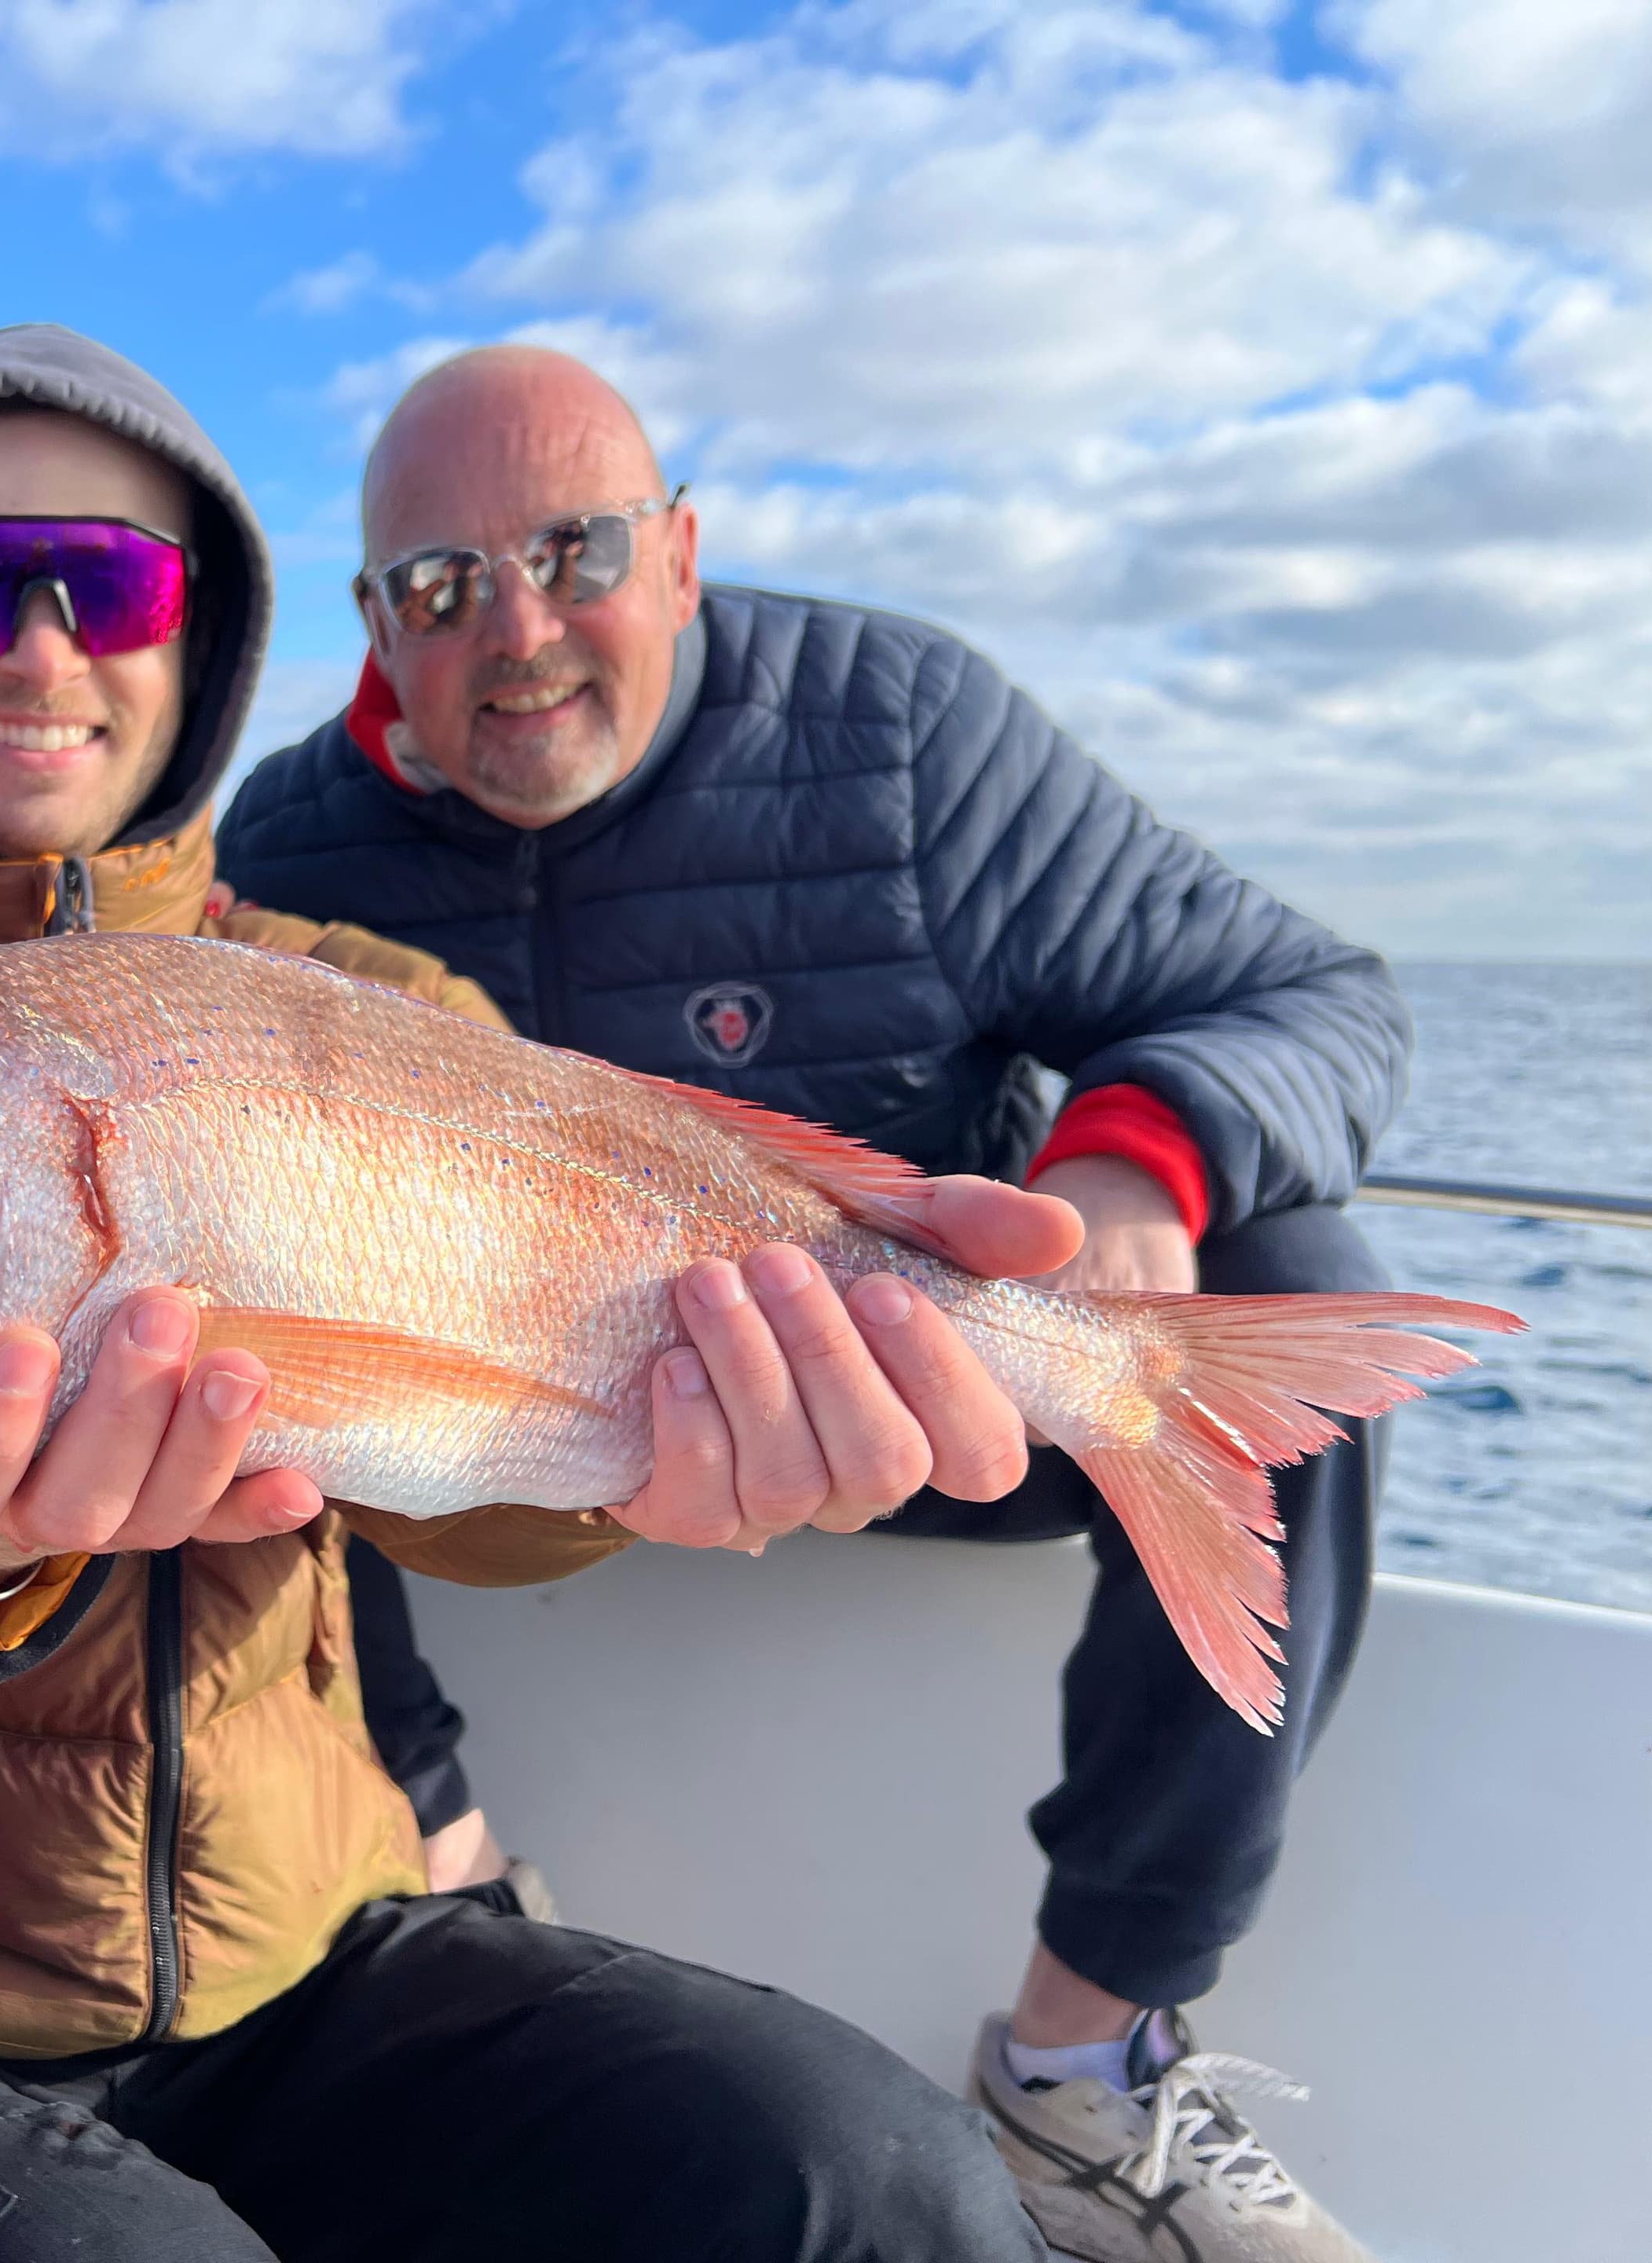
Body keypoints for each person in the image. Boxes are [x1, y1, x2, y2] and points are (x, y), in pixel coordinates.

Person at [0, 324, 1071, 2261]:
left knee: (867, 2176)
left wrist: (653, 1451)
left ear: (206, 636)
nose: (43, 642)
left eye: (119, 582)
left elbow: (465, 1481)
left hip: (304, 1949)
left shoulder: (382, 1006)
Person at [217, 342, 1412, 2263]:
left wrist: (1129, 1169)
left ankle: (1082, 2064)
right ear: (373, 625)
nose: (513, 632)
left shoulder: (901, 732)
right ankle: (441, 1871)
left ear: (681, 555)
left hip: (903, 1395)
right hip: (510, 1449)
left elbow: (1312, 999)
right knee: (220, 1298)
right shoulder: (276, 855)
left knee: (1295, 1288)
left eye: (573, 551)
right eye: (439, 588)